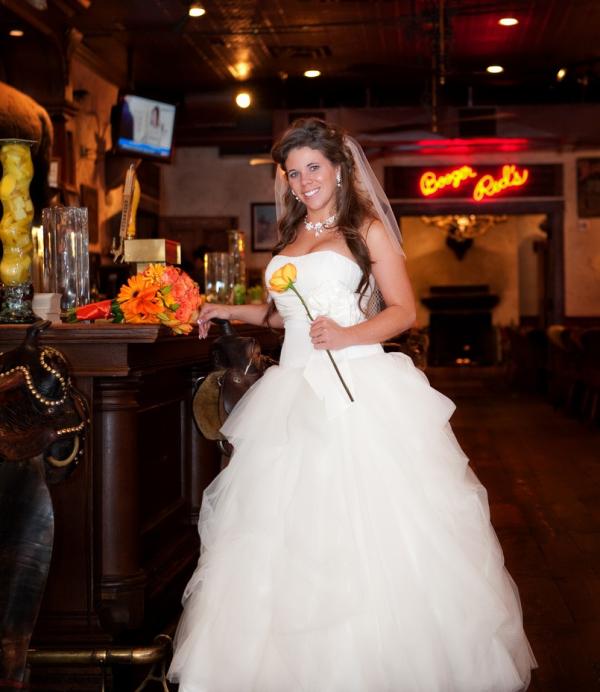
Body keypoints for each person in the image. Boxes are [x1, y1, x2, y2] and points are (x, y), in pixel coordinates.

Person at [168, 118, 537, 691]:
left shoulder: (366, 230)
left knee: (365, 530)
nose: (302, 180)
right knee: (276, 536)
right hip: (289, 393)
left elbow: (403, 311)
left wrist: (347, 334)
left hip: (353, 390)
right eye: (293, 173)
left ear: (338, 168)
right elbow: (277, 316)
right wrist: (225, 311)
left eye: (312, 167)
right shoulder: (291, 236)